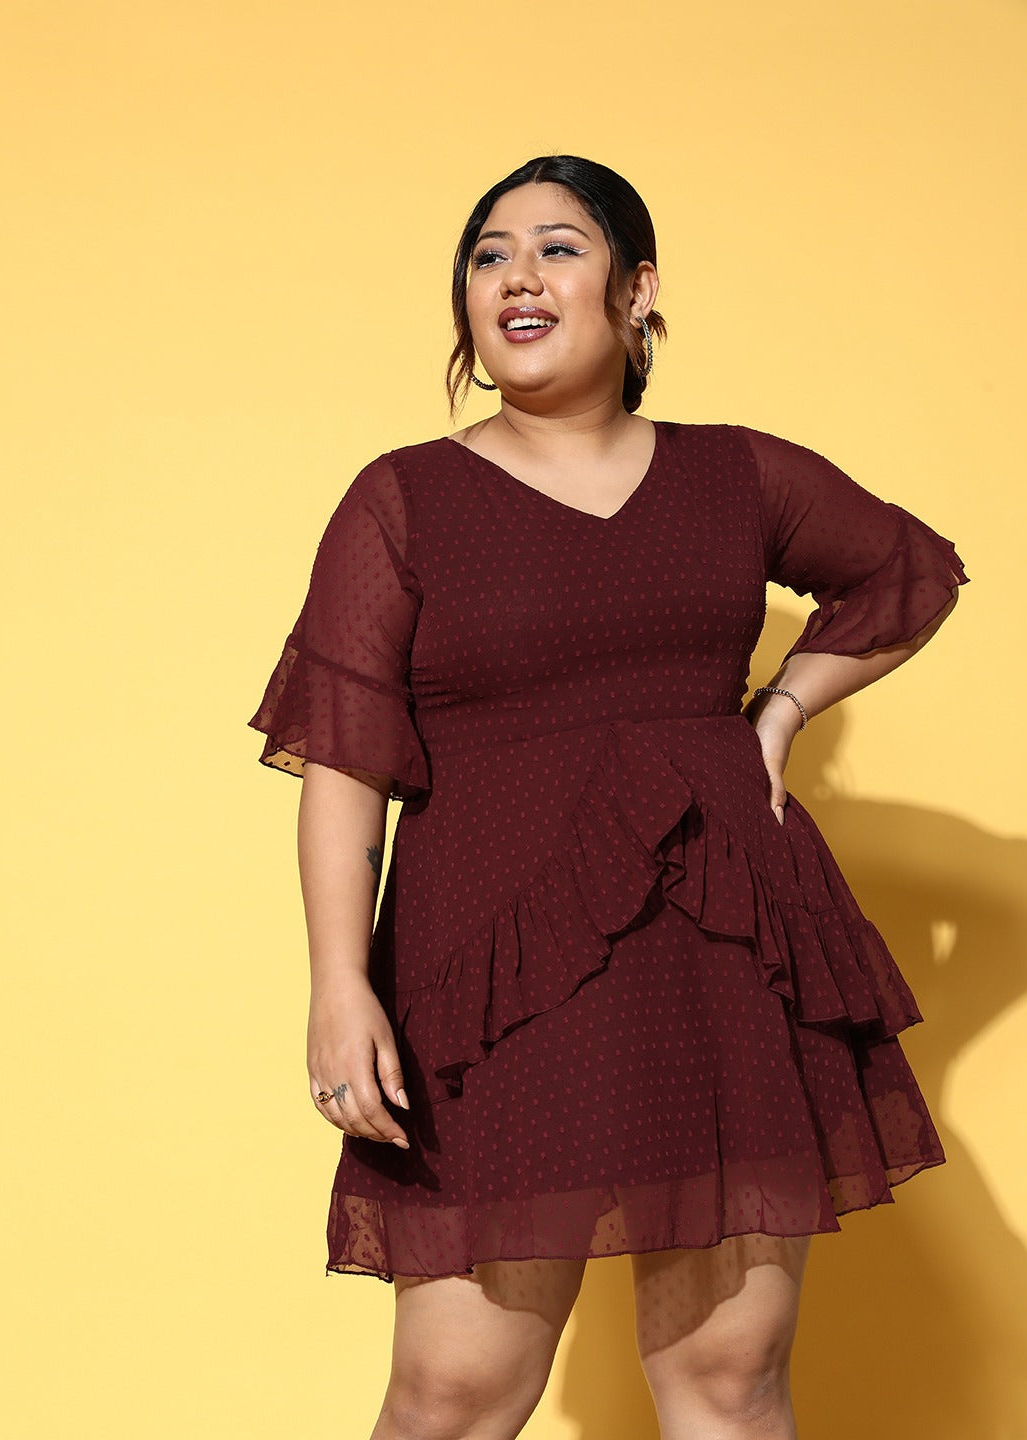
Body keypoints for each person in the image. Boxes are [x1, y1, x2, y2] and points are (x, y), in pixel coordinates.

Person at [246, 154, 969, 1440]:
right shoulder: (404, 500)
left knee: (731, 1379)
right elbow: (345, 761)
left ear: (638, 293)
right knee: (454, 1390)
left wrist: (781, 709)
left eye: (558, 248)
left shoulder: (736, 475)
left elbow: (905, 572)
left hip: (722, 954)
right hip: (493, 975)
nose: (517, 277)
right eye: (488, 257)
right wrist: (339, 985)